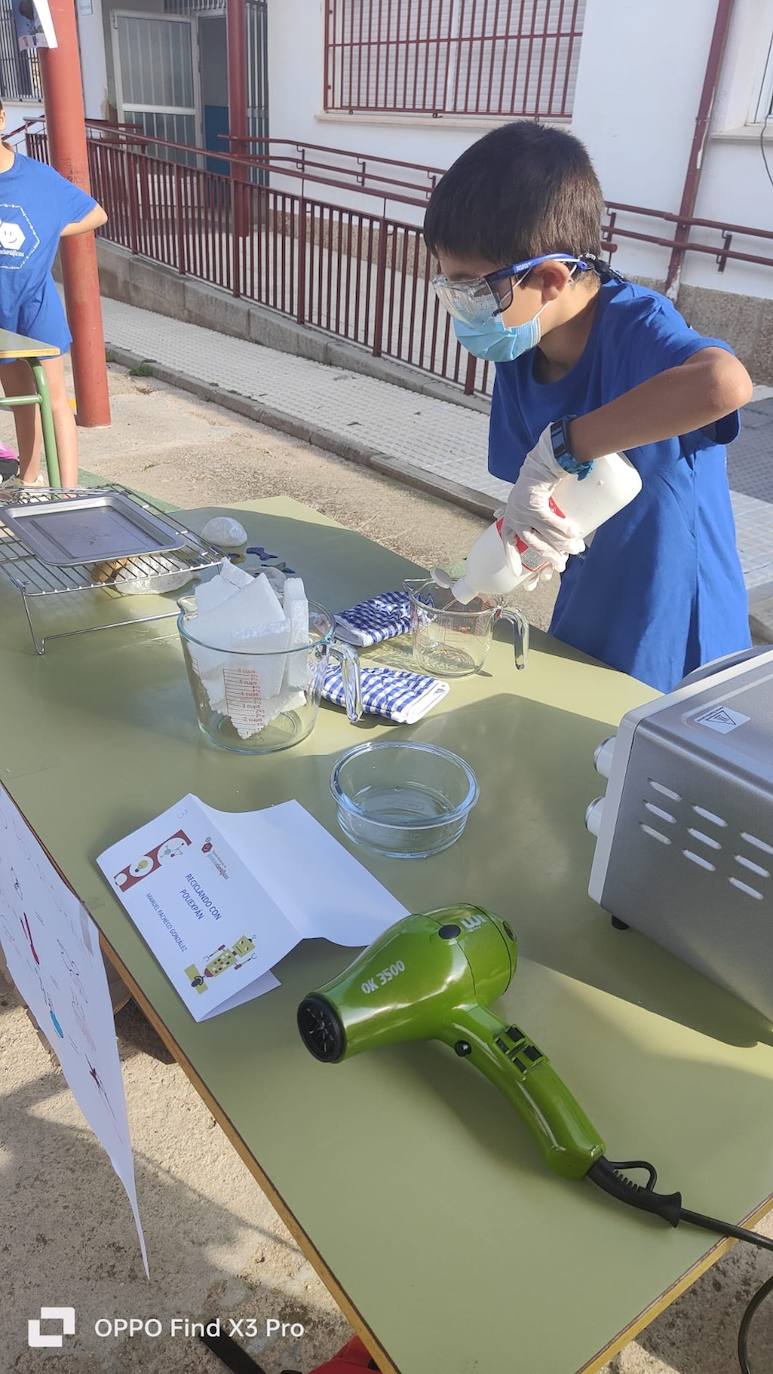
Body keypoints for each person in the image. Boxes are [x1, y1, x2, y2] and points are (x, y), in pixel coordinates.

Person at [424, 122, 753, 693]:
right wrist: (521, 540)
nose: (463, 309)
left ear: (550, 278)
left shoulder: (639, 327)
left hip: (674, 609)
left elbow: (723, 384)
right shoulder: (521, 347)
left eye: (472, 289)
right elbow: (540, 488)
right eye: (450, 287)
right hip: (590, 591)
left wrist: (566, 446)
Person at [0, 99, 107, 487]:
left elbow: (95, 213)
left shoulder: (38, 178)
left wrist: (50, 229)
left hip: (36, 307)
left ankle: (67, 492)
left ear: (1, 118)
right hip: (1, 312)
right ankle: (27, 481)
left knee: (55, 401)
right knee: (22, 405)